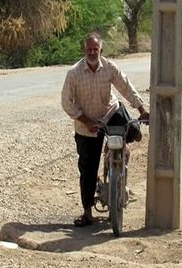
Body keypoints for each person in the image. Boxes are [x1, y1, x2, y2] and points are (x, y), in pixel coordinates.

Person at [61, 32, 149, 227]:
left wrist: (142, 109)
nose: (93, 52)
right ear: (84, 50)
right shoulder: (73, 74)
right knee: (88, 169)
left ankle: (121, 151)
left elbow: (125, 86)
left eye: (96, 49)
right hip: (87, 125)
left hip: (110, 112)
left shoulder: (109, 67)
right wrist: (85, 120)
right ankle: (87, 213)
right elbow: (66, 103)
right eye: (89, 49)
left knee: (133, 129)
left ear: (101, 50)